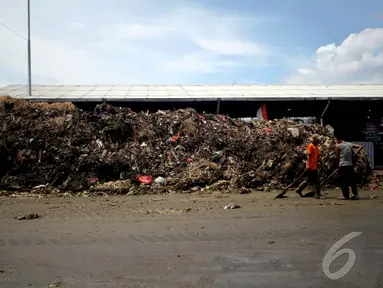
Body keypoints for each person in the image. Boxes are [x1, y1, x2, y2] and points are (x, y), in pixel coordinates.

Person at [296, 134, 321, 199]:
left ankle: (299, 189)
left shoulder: (316, 147)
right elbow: (308, 156)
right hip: (311, 166)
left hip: (314, 166)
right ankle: (317, 194)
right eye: (317, 139)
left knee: (308, 180)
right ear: (314, 139)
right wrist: (309, 165)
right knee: (316, 181)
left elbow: (318, 156)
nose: (318, 140)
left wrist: (319, 162)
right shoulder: (310, 146)